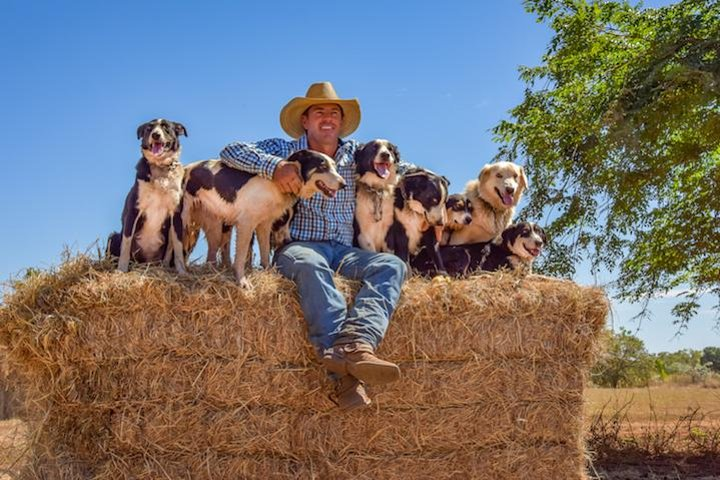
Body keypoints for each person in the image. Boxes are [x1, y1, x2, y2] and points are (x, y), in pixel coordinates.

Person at [219, 82, 408, 411]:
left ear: (341, 122)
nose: (328, 118)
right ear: (304, 121)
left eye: (334, 113)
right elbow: (231, 150)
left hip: (346, 250)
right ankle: (348, 377)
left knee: (392, 266)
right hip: (299, 245)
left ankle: (357, 342)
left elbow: (401, 168)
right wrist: (275, 167)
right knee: (309, 266)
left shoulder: (358, 155)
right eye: (319, 112)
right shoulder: (285, 150)